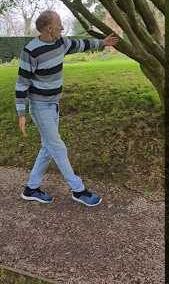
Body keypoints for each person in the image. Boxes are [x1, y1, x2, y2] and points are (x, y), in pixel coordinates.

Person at [16, 11, 118, 207]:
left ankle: (31, 188)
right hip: (39, 106)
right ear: (48, 28)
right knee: (58, 147)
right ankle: (78, 190)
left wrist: (103, 42)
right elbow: (21, 84)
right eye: (59, 25)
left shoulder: (60, 43)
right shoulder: (30, 51)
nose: (62, 28)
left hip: (54, 104)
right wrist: (21, 113)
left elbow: (81, 44)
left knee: (48, 148)